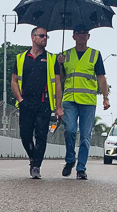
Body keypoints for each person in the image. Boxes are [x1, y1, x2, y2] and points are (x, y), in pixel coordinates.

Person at [58, 24, 109, 180]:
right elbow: (59, 79)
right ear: (73, 36)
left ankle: (81, 168)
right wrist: (59, 64)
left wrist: (106, 98)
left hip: (88, 101)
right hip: (70, 100)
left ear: (88, 36)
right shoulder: (65, 55)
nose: (82, 36)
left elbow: (101, 77)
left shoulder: (95, 55)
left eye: (85, 33)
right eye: (79, 33)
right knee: (71, 130)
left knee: (86, 136)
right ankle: (70, 160)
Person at [11, 26, 63, 179]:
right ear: (33, 38)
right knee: (25, 135)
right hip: (26, 102)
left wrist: (58, 107)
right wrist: (20, 99)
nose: (44, 38)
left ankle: (36, 166)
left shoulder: (52, 59)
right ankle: (33, 157)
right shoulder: (21, 58)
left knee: (41, 135)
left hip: (44, 103)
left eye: (46, 36)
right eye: (42, 36)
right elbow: (14, 81)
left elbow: (58, 83)